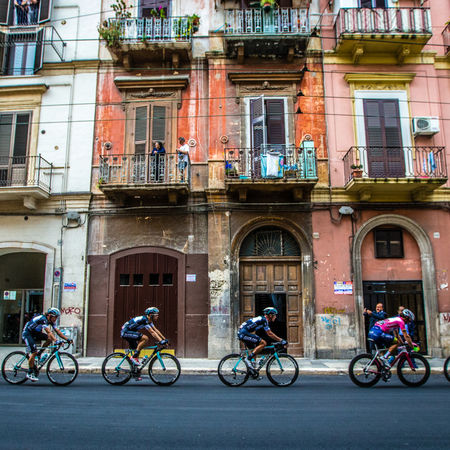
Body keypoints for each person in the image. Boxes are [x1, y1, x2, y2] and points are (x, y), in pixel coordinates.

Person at [22, 307, 72, 382]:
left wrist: (67, 339)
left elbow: (58, 331)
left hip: (35, 333)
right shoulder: (43, 319)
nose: (56, 319)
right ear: (49, 315)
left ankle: (39, 354)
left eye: (57, 317)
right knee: (34, 352)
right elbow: (48, 331)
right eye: (55, 317)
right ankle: (29, 373)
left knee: (49, 339)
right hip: (27, 333)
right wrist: (56, 341)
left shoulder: (51, 321)